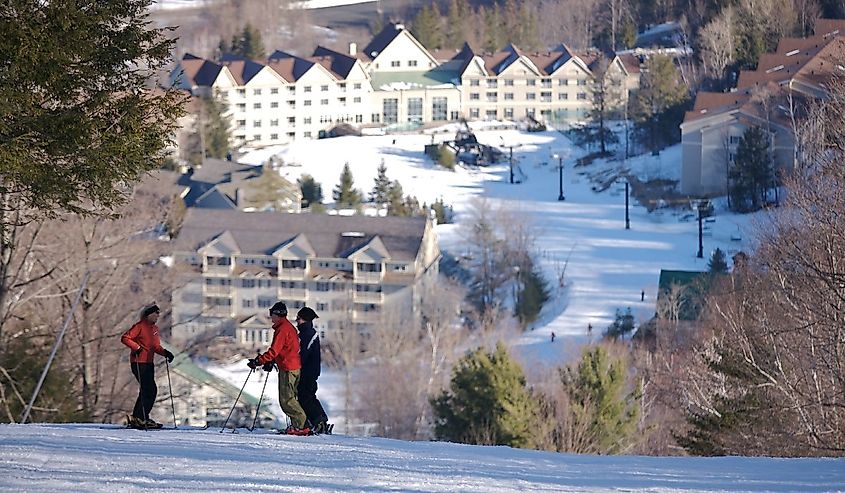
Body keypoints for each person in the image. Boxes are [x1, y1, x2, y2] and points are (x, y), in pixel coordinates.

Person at [248, 302, 310, 435]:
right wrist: (272, 361)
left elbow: (274, 350)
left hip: (288, 368)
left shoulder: (282, 329)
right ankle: (297, 426)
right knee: (290, 398)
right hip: (292, 366)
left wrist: (259, 361)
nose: (271, 317)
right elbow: (285, 349)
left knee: (286, 399)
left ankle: (302, 426)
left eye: (272, 314)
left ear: (278, 314)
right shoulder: (288, 327)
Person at [120, 304, 174, 429]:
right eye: (155, 313)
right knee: (149, 389)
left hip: (149, 363)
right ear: (148, 314)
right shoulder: (140, 326)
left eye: (158, 313)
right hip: (139, 362)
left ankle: (140, 417)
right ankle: (140, 417)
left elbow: (155, 347)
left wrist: (166, 353)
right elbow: (125, 338)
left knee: (148, 390)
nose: (157, 316)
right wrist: (137, 348)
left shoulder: (154, 329)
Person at [295, 306, 330, 434]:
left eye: (298, 318)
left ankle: (318, 421)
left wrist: (296, 365)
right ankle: (319, 420)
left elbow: (303, 354)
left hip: (307, 372)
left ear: (305, 319)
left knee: (306, 397)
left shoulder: (308, 334)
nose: (296, 321)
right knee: (308, 396)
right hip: (308, 371)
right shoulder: (306, 333)